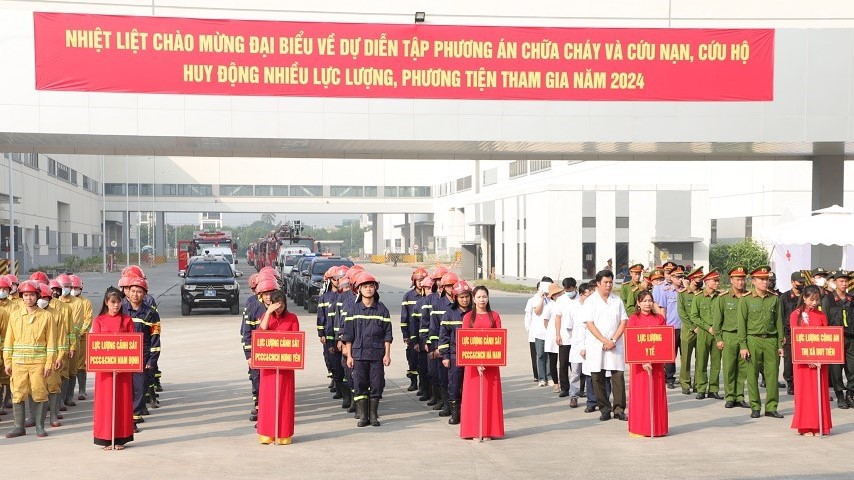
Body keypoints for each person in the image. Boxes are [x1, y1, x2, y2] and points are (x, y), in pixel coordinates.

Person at [4, 280, 56, 438]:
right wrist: (7, 361)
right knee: (18, 393)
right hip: (18, 363)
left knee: (39, 393)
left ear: (38, 296)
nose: (28, 298)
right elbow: (8, 341)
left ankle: (40, 426)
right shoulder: (14, 316)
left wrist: (49, 364)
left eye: (32, 295)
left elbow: (52, 343)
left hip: (38, 364)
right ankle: (19, 427)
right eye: (25, 295)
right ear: (21, 297)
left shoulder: (46, 316)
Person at [342, 272, 393, 428]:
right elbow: (348, 335)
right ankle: (363, 416)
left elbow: (387, 335)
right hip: (358, 354)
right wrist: (349, 356)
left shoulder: (382, 309)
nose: (369, 289)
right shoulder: (353, 310)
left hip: (377, 355)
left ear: (375, 289)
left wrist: (387, 355)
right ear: (359, 289)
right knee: (359, 384)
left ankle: (373, 415)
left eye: (371, 286)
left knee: (377, 384)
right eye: (365, 286)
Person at [91, 287, 135, 449]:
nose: (116, 305)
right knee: (105, 403)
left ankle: (121, 438)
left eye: (118, 302)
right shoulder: (99, 321)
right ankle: (105, 438)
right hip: (104, 370)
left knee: (122, 402)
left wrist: (124, 363)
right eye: (113, 302)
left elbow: (132, 346)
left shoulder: (127, 320)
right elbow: (96, 345)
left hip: (123, 369)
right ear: (106, 303)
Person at [738, 266, 784, 419]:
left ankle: (771, 407)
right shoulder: (746, 300)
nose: (765, 282)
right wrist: (743, 346)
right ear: (754, 281)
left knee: (772, 375)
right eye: (762, 279)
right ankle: (755, 406)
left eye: (767, 279)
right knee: (752, 374)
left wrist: (780, 344)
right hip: (753, 339)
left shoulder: (774, 298)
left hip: (770, 340)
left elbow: (778, 323)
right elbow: (741, 324)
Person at [582, 270, 628, 422]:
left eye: (610, 282)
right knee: (597, 377)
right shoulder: (590, 301)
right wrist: (604, 340)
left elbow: (623, 322)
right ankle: (604, 409)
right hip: (597, 345)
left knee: (618, 377)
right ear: (598, 283)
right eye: (605, 282)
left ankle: (619, 409)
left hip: (615, 345)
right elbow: (589, 323)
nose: (608, 285)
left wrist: (613, 340)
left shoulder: (617, 300)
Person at [459, 286, 504, 440]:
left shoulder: (495, 316)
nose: (482, 300)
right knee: (474, 399)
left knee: (489, 398)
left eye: (484, 296)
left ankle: (489, 431)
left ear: (488, 298)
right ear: (474, 298)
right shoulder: (467, 318)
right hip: (472, 365)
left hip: (491, 365)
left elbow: (499, 339)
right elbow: (465, 341)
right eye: (479, 297)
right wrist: (476, 361)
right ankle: (473, 430)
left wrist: (487, 359)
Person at [257, 289, 299, 445]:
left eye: (281, 304)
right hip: (268, 366)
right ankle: (267, 433)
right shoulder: (265, 316)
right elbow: (261, 331)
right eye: (276, 304)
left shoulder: (292, 318)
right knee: (268, 399)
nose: (279, 308)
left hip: (285, 367)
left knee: (284, 398)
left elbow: (296, 340)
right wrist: (269, 312)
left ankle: (283, 434)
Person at [790, 285, 832, 436]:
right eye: (811, 299)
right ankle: (806, 426)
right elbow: (796, 339)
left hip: (820, 361)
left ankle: (821, 425)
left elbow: (825, 338)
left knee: (819, 392)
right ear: (804, 298)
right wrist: (807, 358)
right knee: (806, 394)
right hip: (803, 363)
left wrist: (821, 357)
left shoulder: (821, 315)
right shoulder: (796, 315)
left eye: (817, 299)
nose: (815, 302)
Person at [122, 276, 161, 429]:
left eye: (139, 291)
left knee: (139, 388)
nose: (135, 294)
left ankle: (134, 418)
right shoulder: (121, 310)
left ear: (145, 294)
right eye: (133, 291)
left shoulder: (151, 313)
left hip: (141, 355)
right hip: (123, 355)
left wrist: (152, 360)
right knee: (125, 388)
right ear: (127, 292)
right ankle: (125, 417)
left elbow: (155, 338)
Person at [627, 290, 668, 437]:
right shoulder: (633, 319)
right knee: (641, 396)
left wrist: (654, 358)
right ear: (638, 303)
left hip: (656, 364)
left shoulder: (659, 319)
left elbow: (663, 341)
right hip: (639, 366)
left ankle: (658, 428)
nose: (647, 303)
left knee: (656, 395)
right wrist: (643, 361)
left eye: (650, 300)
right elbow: (632, 342)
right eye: (644, 301)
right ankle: (639, 428)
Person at [714, 266, 750, 409]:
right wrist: (719, 338)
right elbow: (717, 321)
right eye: (737, 279)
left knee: (743, 368)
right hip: (729, 336)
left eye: (742, 279)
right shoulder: (723, 298)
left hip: (745, 337)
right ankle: (730, 396)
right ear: (731, 280)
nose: (740, 282)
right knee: (729, 367)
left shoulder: (748, 296)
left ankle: (739, 396)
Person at [438, 280, 473, 424]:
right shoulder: (449, 314)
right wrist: (445, 356)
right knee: (454, 384)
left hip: (472, 357)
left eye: (467, 296)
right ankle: (455, 414)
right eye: (461, 297)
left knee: (470, 386)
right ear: (455, 297)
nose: (464, 300)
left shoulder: (475, 313)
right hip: (454, 355)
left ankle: (469, 414)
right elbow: (443, 337)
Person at [820, 270, 854, 409]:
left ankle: (850, 394)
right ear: (835, 282)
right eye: (841, 281)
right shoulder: (828, 300)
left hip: (850, 338)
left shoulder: (851, 299)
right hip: (835, 338)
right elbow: (824, 320)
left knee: (852, 368)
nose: (844, 284)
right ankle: (839, 394)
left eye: (846, 281)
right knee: (835, 369)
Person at [690, 269, 723, 400]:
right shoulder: (698, 297)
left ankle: (713, 389)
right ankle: (701, 388)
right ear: (707, 282)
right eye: (714, 281)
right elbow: (694, 316)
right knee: (702, 361)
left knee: (716, 362)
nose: (717, 283)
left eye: (718, 281)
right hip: (704, 333)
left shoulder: (720, 297)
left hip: (717, 334)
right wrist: (707, 327)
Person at [401, 268, 429, 392]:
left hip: (425, 333)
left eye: (422, 280)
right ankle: (413, 382)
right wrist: (405, 334)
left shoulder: (429, 296)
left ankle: (424, 385)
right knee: (412, 359)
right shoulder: (408, 296)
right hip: (413, 332)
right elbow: (404, 317)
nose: (420, 282)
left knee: (424, 362)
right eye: (418, 280)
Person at [677, 267, 703, 392]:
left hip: (702, 330)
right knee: (685, 358)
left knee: (700, 358)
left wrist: (701, 327)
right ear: (692, 279)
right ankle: (685, 383)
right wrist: (693, 327)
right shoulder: (682, 294)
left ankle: (698, 384)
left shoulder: (702, 294)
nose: (701, 280)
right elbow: (682, 314)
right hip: (688, 331)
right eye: (699, 278)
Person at [567, 283, 593, 408]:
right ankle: (573, 396)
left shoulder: (593, 306)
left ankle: (592, 398)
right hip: (577, 344)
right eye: (587, 295)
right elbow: (569, 326)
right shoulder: (573, 307)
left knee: (591, 372)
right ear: (581, 295)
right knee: (576, 372)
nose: (589, 298)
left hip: (591, 343)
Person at [779, 272, 804, 396]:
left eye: (803, 282)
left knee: (802, 358)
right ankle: (790, 382)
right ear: (793, 282)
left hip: (803, 332)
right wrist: (782, 335)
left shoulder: (806, 296)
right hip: (789, 332)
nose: (802, 284)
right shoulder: (785, 297)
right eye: (799, 282)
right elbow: (781, 316)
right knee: (789, 359)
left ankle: (801, 382)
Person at [544, 283, 564, 392]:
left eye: (559, 293)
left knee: (564, 362)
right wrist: (553, 332)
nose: (558, 295)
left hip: (563, 335)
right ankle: (556, 383)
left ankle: (564, 382)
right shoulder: (549, 306)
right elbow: (545, 322)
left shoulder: (564, 304)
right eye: (555, 294)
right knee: (553, 361)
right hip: (552, 336)